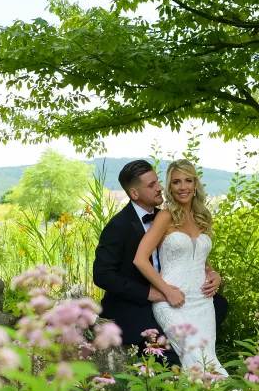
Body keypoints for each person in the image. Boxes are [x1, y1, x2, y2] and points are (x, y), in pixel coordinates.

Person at [93, 159, 228, 366]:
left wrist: (213, 274)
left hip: (176, 294)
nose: (160, 188)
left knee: (219, 304)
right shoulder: (118, 226)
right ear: (134, 194)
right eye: (152, 185)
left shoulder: (169, 217)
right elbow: (102, 275)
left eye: (158, 182)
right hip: (134, 303)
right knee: (173, 352)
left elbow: (195, 257)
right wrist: (150, 292)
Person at [133, 159, 227, 375]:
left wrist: (213, 274)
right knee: (197, 362)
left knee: (208, 358)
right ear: (169, 187)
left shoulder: (203, 217)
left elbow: (199, 259)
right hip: (174, 302)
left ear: (195, 184)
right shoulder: (165, 216)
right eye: (176, 182)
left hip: (203, 303)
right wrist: (165, 291)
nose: (182, 187)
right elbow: (140, 259)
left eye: (188, 180)